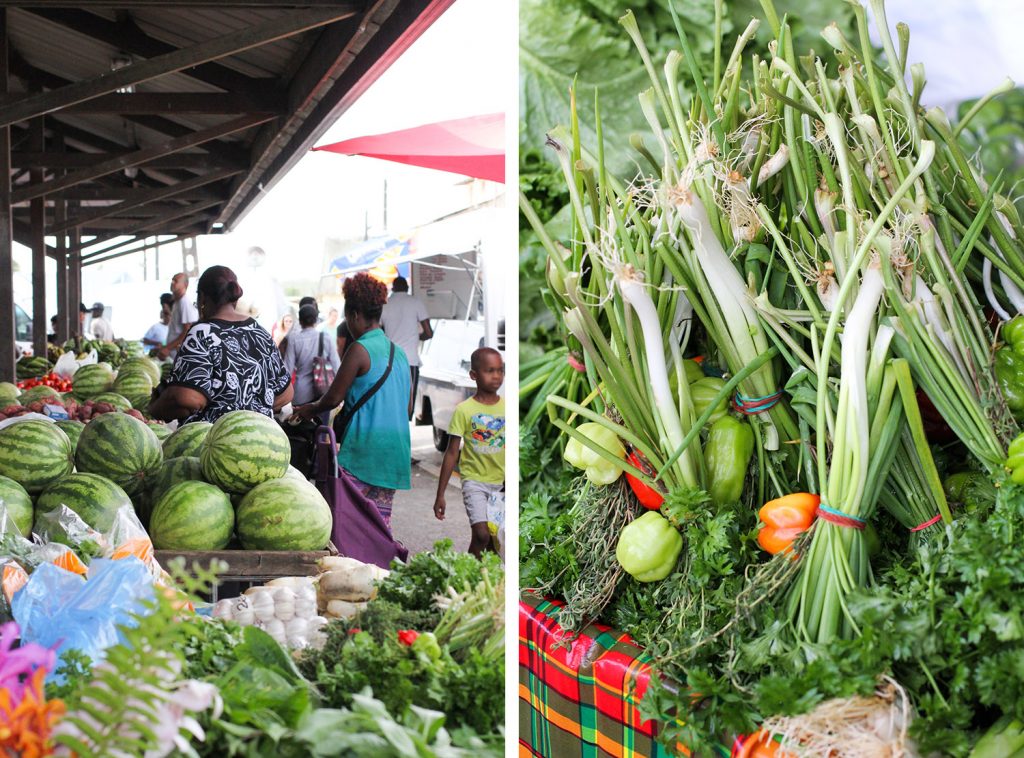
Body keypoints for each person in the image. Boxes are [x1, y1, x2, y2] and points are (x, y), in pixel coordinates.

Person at [294, 272, 410, 529]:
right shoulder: (399, 353)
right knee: (379, 526)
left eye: (348, 317)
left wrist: (306, 410)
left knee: (346, 523)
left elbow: (333, 397)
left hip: (364, 449)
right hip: (394, 452)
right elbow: (408, 407)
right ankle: (379, 568)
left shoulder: (359, 349)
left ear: (355, 315)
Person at [149, 266, 293, 424]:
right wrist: (250, 412)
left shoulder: (202, 333)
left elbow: (188, 399)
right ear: (235, 297)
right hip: (261, 440)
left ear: (202, 298)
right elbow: (285, 394)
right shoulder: (259, 331)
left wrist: (155, 408)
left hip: (213, 444)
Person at [432, 348, 505, 557]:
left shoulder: (507, 408)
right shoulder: (464, 410)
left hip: (501, 485)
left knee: (494, 541)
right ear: (474, 375)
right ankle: (467, 573)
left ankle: (485, 583)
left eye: (500, 371)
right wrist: (440, 495)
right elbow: (452, 453)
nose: (496, 376)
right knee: (481, 535)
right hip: (475, 482)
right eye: (490, 371)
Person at [380, 276, 433, 418]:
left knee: (390, 404)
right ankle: (404, 434)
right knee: (407, 407)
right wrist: (415, 336)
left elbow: (378, 332)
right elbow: (429, 333)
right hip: (410, 361)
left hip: (389, 362)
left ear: (393, 289)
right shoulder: (415, 302)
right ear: (407, 288)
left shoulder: (385, 304)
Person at [283, 304, 341, 407]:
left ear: (300, 321)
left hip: (301, 393)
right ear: (316, 320)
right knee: (322, 423)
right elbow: (336, 365)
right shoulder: (325, 338)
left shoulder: (293, 339)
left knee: (302, 422)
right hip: (323, 393)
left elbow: (287, 369)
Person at [155, 272, 199, 360]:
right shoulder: (177, 302)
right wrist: (165, 346)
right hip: (172, 354)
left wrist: (168, 348)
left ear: (185, 285)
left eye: (176, 281)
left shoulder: (184, 303)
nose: (172, 283)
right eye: (172, 280)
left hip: (178, 354)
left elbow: (187, 331)